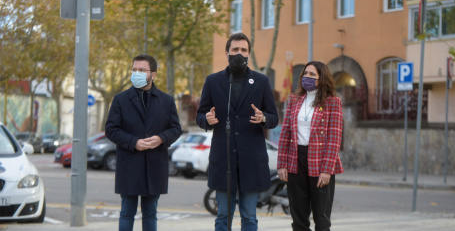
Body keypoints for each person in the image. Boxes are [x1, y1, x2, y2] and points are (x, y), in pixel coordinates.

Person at [196, 32, 279, 231]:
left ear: (249, 54)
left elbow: (274, 118)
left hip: (252, 161)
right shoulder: (213, 81)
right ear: (227, 52)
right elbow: (200, 115)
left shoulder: (261, 81)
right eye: (235, 50)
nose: (239, 54)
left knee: (249, 217)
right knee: (223, 216)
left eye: (243, 50)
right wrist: (206, 120)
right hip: (223, 160)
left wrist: (264, 118)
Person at [105, 54, 182, 231]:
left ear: (153, 74)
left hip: (155, 165)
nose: (136, 73)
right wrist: (134, 142)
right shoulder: (120, 100)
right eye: (134, 69)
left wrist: (161, 139)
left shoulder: (167, 101)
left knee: (150, 213)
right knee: (127, 212)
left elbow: (176, 129)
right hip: (129, 164)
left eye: (141, 70)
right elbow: (111, 129)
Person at [277, 61, 343, 231]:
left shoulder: (332, 102)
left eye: (312, 75)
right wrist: (282, 164)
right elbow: (285, 133)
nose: (307, 77)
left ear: (322, 79)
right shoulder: (294, 100)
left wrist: (327, 169)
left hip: (320, 162)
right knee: (298, 216)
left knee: (321, 218)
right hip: (295, 161)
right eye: (305, 74)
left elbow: (334, 138)